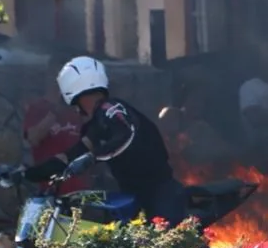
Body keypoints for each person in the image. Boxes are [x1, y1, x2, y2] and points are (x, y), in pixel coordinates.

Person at [13, 56, 189, 225]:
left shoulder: (112, 108)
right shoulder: (96, 126)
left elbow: (126, 133)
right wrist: (27, 174)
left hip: (160, 195)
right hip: (131, 196)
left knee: (165, 244)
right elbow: (71, 156)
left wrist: (92, 157)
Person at [21, 99, 91, 196]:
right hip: (52, 191)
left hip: (81, 191)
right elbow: (33, 138)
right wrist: (54, 112)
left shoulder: (78, 111)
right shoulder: (38, 108)